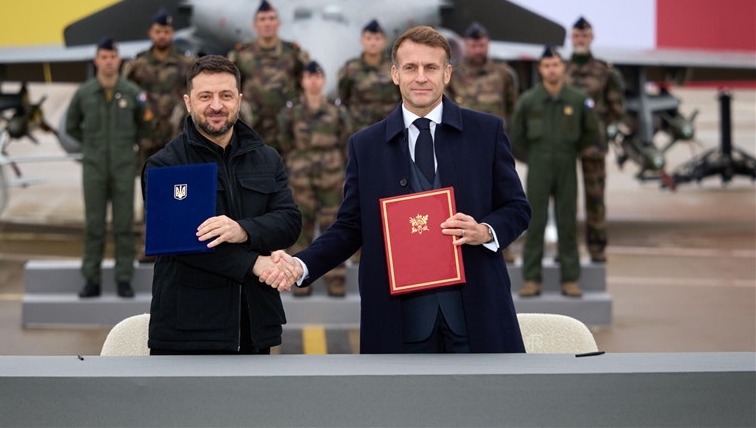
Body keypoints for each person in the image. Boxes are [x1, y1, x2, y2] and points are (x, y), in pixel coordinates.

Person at [263, 27, 531, 354]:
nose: (421, 77)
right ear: (395, 74)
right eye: (410, 67)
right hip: (400, 322)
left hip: (476, 314)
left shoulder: (486, 132)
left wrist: (485, 231)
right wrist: (302, 264)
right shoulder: (366, 146)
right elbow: (350, 227)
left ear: (447, 74)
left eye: (431, 67)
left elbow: (517, 208)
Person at [142, 55, 302, 355]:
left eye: (226, 96)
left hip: (255, 327)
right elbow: (179, 242)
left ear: (239, 100)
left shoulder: (267, 158)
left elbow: (289, 222)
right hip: (188, 331)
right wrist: (254, 263)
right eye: (205, 96)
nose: (216, 106)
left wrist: (243, 230)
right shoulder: (166, 165)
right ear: (188, 102)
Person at [510, 46, 599, 298]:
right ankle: (531, 279)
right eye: (547, 65)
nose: (552, 70)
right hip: (538, 165)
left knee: (567, 221)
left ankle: (570, 279)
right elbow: (516, 135)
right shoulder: (529, 100)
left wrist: (572, 151)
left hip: (567, 163)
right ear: (540, 69)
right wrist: (532, 157)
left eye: (556, 65)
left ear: (563, 67)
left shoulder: (577, 100)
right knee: (534, 221)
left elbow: (591, 132)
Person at [66, 37, 151, 299]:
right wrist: (92, 146)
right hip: (94, 167)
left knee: (124, 224)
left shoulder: (132, 92)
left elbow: (146, 125)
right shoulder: (84, 93)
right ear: (96, 60)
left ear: (119, 59)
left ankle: (124, 278)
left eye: (112, 57)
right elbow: (71, 126)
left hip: (123, 166)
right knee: (94, 225)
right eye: (104, 57)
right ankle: (91, 279)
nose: (109, 62)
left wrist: (126, 145)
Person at [122, 9, 197, 262]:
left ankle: (180, 243)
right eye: (158, 31)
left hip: (178, 139)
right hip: (149, 139)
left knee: (181, 192)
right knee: (151, 192)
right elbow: (127, 98)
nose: (162, 35)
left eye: (166, 31)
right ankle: (151, 244)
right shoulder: (137, 65)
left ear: (172, 33)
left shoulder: (186, 64)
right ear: (150, 33)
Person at [446, 21, 520, 263]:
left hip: (495, 149)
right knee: (467, 197)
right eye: (473, 45)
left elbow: (511, 107)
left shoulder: (503, 74)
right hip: (462, 148)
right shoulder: (453, 75)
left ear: (488, 44)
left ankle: (502, 245)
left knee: (501, 195)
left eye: (481, 44)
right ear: (466, 45)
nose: (477, 49)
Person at [278, 61, 352, 297]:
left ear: (323, 81)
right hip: (301, 178)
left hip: (331, 177)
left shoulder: (337, 110)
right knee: (300, 228)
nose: (313, 81)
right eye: (309, 76)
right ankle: (299, 278)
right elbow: (284, 140)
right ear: (302, 81)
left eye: (318, 76)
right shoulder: (291, 111)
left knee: (334, 228)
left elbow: (345, 140)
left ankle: (335, 279)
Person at [565, 16, 625, 263]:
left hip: (593, 146)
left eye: (585, 36)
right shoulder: (561, 70)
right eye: (577, 36)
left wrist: (598, 126)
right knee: (565, 200)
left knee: (595, 198)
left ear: (592, 38)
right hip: (565, 145)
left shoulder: (604, 72)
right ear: (571, 38)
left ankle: (597, 248)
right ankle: (566, 251)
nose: (580, 40)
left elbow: (617, 108)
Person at [228, 0, 309, 154]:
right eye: (262, 19)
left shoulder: (293, 54)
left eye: (272, 18)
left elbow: (306, 85)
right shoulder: (241, 55)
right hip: (252, 128)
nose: (267, 23)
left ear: (279, 23)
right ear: (255, 25)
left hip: (285, 129)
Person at [337, 19, 401, 131]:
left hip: (390, 128)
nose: (373, 43)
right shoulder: (351, 68)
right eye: (368, 38)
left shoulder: (395, 67)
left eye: (377, 38)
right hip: (361, 129)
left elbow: (404, 95)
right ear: (362, 41)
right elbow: (344, 97)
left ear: (384, 41)